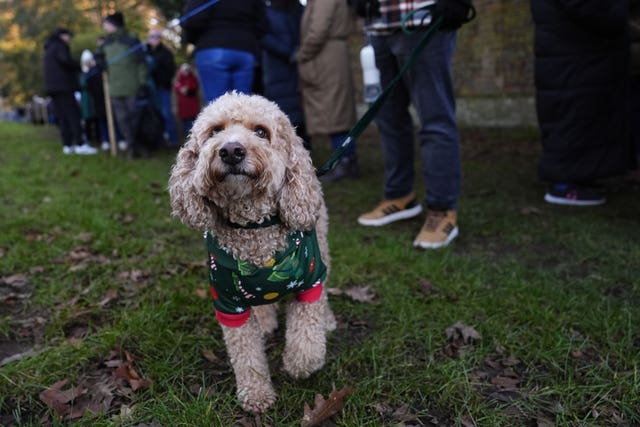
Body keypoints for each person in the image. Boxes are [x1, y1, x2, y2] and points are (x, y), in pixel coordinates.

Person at [354, 0, 471, 249]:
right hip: (378, 24)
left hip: (424, 17)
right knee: (388, 119)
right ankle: (400, 195)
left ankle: (442, 209)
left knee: (434, 119)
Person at [531, 1, 632, 206]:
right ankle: (563, 185)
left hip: (573, 54)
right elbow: (595, 10)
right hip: (573, 56)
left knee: (581, 116)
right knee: (574, 116)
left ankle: (579, 177)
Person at [297, 0, 358, 181]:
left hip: (327, 57)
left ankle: (345, 162)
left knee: (337, 111)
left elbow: (318, 30)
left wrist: (302, 54)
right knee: (336, 109)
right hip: (327, 55)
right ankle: (345, 161)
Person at [182, 0, 268, 103]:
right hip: (245, 50)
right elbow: (263, 24)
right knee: (242, 106)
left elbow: (193, 19)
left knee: (216, 107)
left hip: (212, 46)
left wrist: (192, 39)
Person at [99, 11, 149, 158]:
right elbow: (98, 56)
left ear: (114, 24)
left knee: (136, 121)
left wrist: (142, 83)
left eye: (107, 23)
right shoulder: (106, 43)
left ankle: (140, 147)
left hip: (132, 88)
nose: (105, 27)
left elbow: (142, 63)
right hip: (114, 90)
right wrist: (99, 62)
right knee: (122, 121)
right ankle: (132, 148)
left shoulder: (131, 40)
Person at [261, 0, 309, 148]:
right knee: (282, 113)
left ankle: (304, 155)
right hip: (277, 69)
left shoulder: (299, 10)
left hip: (300, 68)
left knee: (301, 114)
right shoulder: (265, 12)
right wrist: (288, 52)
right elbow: (263, 37)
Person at [43, 28, 97, 155]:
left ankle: (67, 145)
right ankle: (80, 144)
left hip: (52, 88)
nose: (69, 40)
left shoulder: (49, 49)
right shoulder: (60, 47)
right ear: (63, 36)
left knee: (63, 117)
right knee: (73, 115)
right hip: (63, 87)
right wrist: (79, 67)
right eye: (68, 37)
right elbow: (65, 61)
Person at [145, 28, 178, 146]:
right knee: (155, 114)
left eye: (155, 36)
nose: (152, 39)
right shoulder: (145, 52)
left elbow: (171, 70)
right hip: (150, 90)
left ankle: (173, 139)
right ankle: (159, 139)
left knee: (166, 114)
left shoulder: (166, 52)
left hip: (162, 88)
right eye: (150, 37)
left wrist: (162, 80)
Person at [173, 63, 201, 135]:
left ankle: (194, 133)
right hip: (183, 105)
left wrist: (188, 89)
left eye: (187, 70)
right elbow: (177, 87)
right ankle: (186, 133)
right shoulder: (179, 79)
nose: (186, 72)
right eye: (184, 70)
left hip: (192, 104)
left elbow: (194, 86)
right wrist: (182, 89)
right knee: (185, 121)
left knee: (193, 120)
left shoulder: (192, 78)